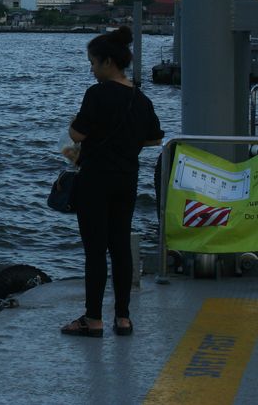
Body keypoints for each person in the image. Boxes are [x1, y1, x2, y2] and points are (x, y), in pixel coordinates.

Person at [60, 26, 163, 338]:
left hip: (94, 181)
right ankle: (123, 318)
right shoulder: (140, 98)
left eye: (92, 63)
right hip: (126, 180)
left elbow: (77, 134)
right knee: (120, 247)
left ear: (107, 62)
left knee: (95, 250)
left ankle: (93, 319)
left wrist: (84, 140)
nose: (91, 70)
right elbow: (155, 139)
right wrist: (124, 144)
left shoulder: (97, 94)